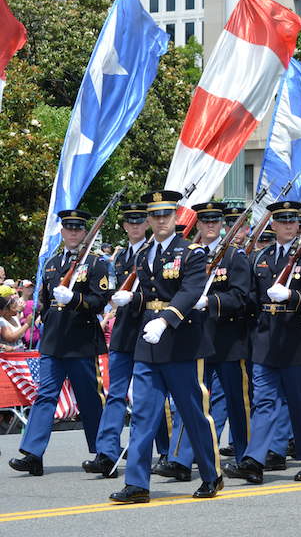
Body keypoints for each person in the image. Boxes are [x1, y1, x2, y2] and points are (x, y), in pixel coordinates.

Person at [108, 190, 222, 503]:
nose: (160, 221)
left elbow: (190, 291)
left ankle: (211, 475)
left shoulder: (192, 252)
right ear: (149, 219)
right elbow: (149, 291)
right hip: (149, 343)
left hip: (182, 341)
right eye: (155, 216)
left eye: (166, 215)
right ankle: (137, 483)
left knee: (193, 412)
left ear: (176, 217)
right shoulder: (144, 253)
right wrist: (133, 299)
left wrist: (166, 320)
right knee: (144, 415)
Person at [224, 200, 301, 485]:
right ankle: (255, 460)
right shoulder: (260, 258)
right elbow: (249, 299)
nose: (287, 225)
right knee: (264, 402)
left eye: (292, 221)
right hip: (265, 340)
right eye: (282, 220)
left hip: (297, 340)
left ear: (298, 225)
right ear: (272, 224)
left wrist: (292, 297)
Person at [9, 209, 112, 477]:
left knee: (90, 400)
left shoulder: (95, 263)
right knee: (45, 396)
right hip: (54, 342)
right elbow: (44, 298)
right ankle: (32, 453)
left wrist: (75, 300)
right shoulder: (53, 262)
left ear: (84, 232)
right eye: (69, 228)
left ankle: (104, 454)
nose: (73, 232)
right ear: (63, 231)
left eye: (78, 228)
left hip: (82, 343)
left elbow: (100, 301)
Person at [161, 202, 254, 477]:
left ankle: (246, 457)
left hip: (228, 340)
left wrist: (210, 302)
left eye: (215, 221)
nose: (210, 226)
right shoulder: (190, 256)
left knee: (238, 403)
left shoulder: (234, 257)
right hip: (197, 338)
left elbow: (242, 297)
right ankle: (180, 459)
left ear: (222, 224)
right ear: (198, 225)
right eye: (205, 222)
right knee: (191, 401)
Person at [83, 202, 150, 478]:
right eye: (129, 222)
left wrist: (136, 298)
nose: (134, 226)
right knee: (115, 395)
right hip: (123, 331)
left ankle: (169, 453)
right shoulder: (121, 258)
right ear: (124, 226)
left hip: (149, 328)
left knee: (150, 396)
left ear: (145, 224)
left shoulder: (155, 252)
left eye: (139, 222)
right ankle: (107, 453)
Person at [0, 285, 28, 350]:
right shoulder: (1, 320)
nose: (14, 297)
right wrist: (27, 324)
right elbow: (10, 337)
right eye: (11, 295)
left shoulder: (14, 317)